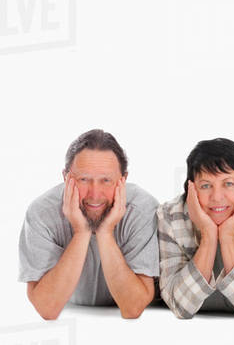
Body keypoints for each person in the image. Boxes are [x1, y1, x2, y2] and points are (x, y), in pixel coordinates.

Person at [19, 129, 158, 319]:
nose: (94, 194)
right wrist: (81, 231)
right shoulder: (41, 214)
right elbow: (47, 309)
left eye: (106, 180)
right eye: (84, 179)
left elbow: (133, 307)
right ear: (65, 178)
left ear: (123, 181)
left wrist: (105, 232)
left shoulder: (142, 209)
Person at [157, 138, 234, 319]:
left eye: (228, 184)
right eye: (206, 185)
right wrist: (208, 235)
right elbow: (179, 306)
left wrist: (227, 236)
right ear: (190, 188)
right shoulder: (169, 216)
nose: (217, 197)